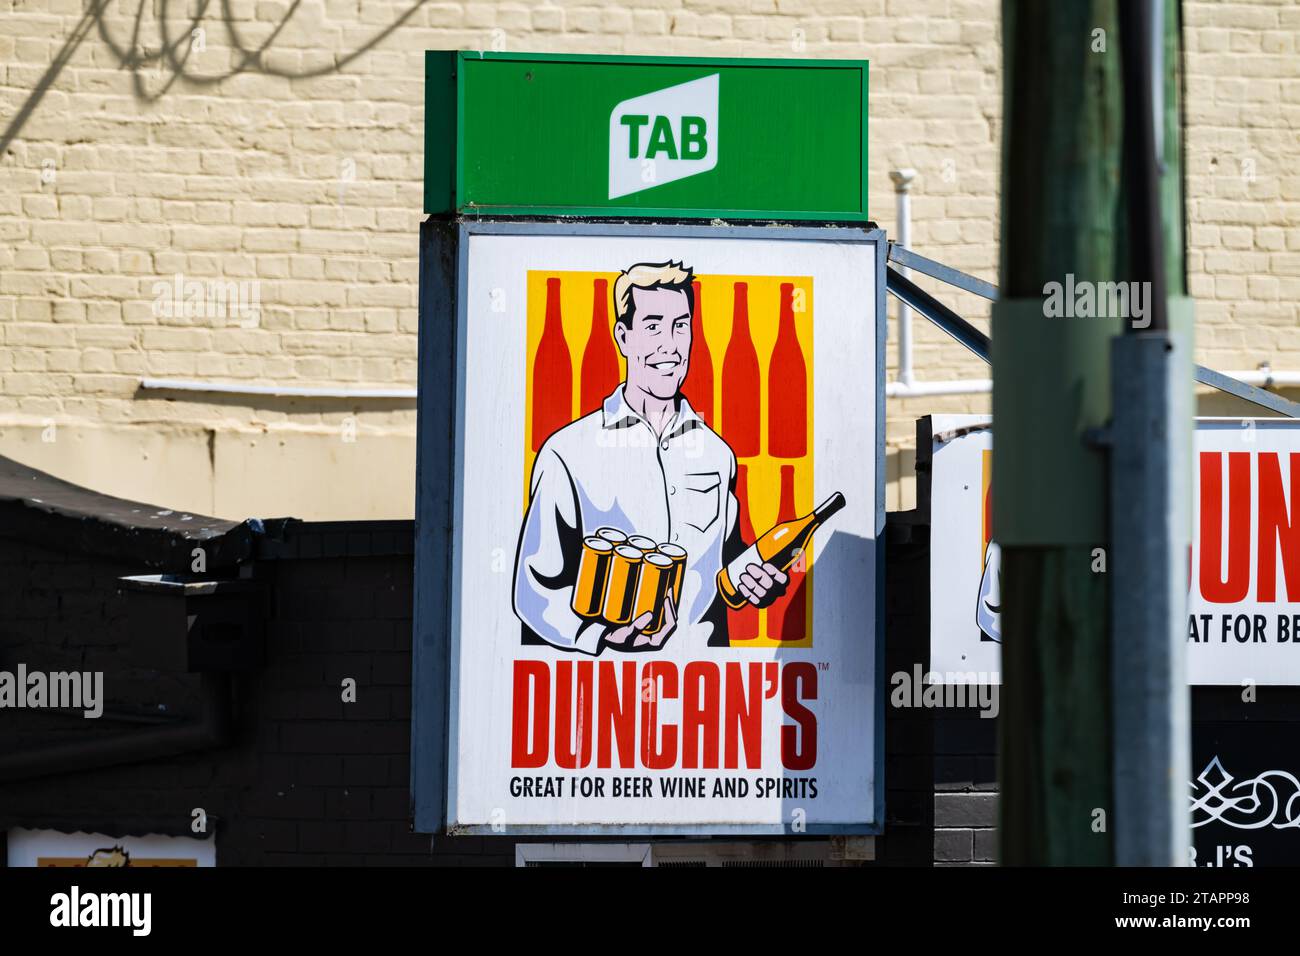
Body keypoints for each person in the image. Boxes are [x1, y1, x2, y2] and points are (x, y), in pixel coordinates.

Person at [513, 260, 787, 655]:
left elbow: (724, 568)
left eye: (681, 325)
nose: (669, 345)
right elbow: (534, 589)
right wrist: (601, 636)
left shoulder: (717, 454)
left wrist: (756, 583)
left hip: (705, 688)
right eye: (653, 326)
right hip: (607, 687)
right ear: (623, 337)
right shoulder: (567, 452)